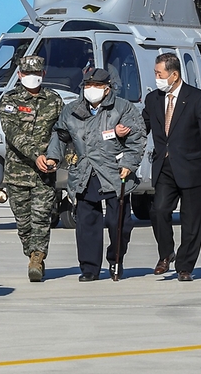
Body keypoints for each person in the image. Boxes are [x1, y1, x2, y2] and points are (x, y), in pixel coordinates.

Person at [46, 68, 146, 281]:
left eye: (97, 86)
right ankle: (89, 268)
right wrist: (53, 156)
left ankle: (116, 259)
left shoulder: (122, 108)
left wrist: (129, 163)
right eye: (88, 86)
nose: (92, 90)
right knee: (86, 223)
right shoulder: (72, 109)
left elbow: (137, 138)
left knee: (118, 222)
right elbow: (60, 134)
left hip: (113, 172)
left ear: (107, 88)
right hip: (84, 171)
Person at [142, 52, 201, 281]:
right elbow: (142, 126)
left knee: (192, 220)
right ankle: (166, 253)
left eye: (160, 74)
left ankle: (185, 266)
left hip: (193, 166)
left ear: (174, 75)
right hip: (164, 165)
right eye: (155, 73)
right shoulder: (153, 99)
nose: (156, 78)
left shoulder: (196, 98)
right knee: (158, 211)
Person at [0, 55, 63, 282]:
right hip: (18, 173)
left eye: (36, 74)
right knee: (23, 222)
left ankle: (37, 258)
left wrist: (56, 157)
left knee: (41, 218)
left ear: (43, 75)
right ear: (19, 75)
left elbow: (61, 133)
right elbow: (13, 133)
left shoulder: (54, 100)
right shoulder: (10, 100)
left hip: (44, 173)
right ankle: (30, 251)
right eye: (27, 73)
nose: (31, 78)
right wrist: (37, 155)